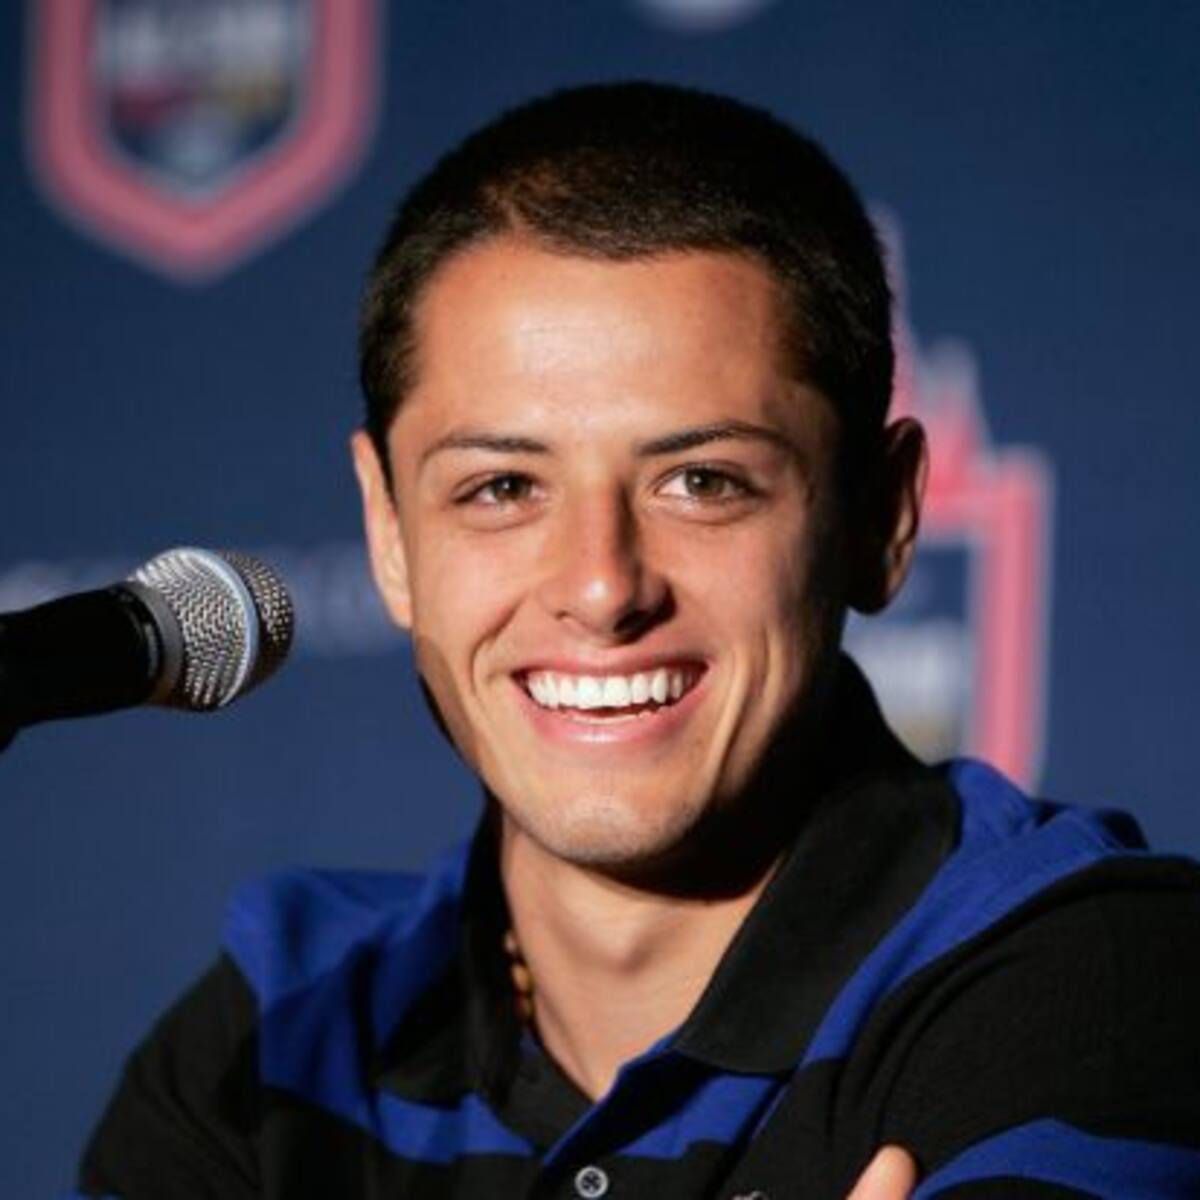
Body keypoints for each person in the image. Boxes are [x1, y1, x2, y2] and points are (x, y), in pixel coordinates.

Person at [76, 82, 1200, 1199]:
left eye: (702, 482)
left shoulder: (1098, 975)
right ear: (390, 532)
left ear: (881, 518)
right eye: (503, 487)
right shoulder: (281, 1030)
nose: (602, 586)